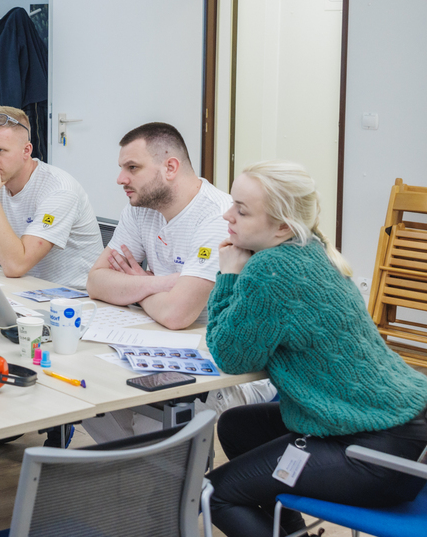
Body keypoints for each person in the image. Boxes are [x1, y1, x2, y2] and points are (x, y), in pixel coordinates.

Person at [206, 160, 427, 537]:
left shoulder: (271, 270)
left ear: (282, 227)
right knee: (237, 425)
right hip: (401, 427)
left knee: (213, 495)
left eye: (242, 211)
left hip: (374, 452)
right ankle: (293, 532)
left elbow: (230, 356)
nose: (228, 215)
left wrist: (228, 274)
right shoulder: (311, 249)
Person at [87, 122, 233, 330]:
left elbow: (176, 315)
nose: (120, 179)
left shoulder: (219, 216)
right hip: (154, 331)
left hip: (205, 344)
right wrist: (159, 284)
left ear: (170, 168)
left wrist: (136, 290)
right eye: (121, 168)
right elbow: (96, 282)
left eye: (133, 167)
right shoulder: (139, 208)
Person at [0, 106, 101, 288]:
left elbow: (15, 266)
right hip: (25, 289)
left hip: (74, 299)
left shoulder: (59, 189)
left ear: (26, 150)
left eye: (0, 150)